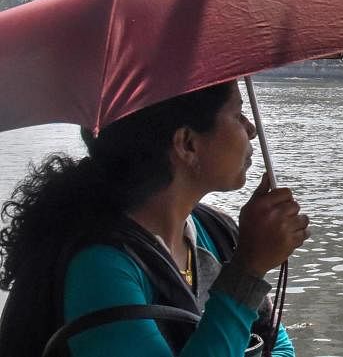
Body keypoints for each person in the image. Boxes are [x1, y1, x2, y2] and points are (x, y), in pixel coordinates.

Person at [0, 81, 310, 356]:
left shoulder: (214, 232)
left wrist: (247, 269)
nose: (251, 128)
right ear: (187, 144)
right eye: (237, 113)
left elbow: (276, 345)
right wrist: (246, 273)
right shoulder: (100, 267)